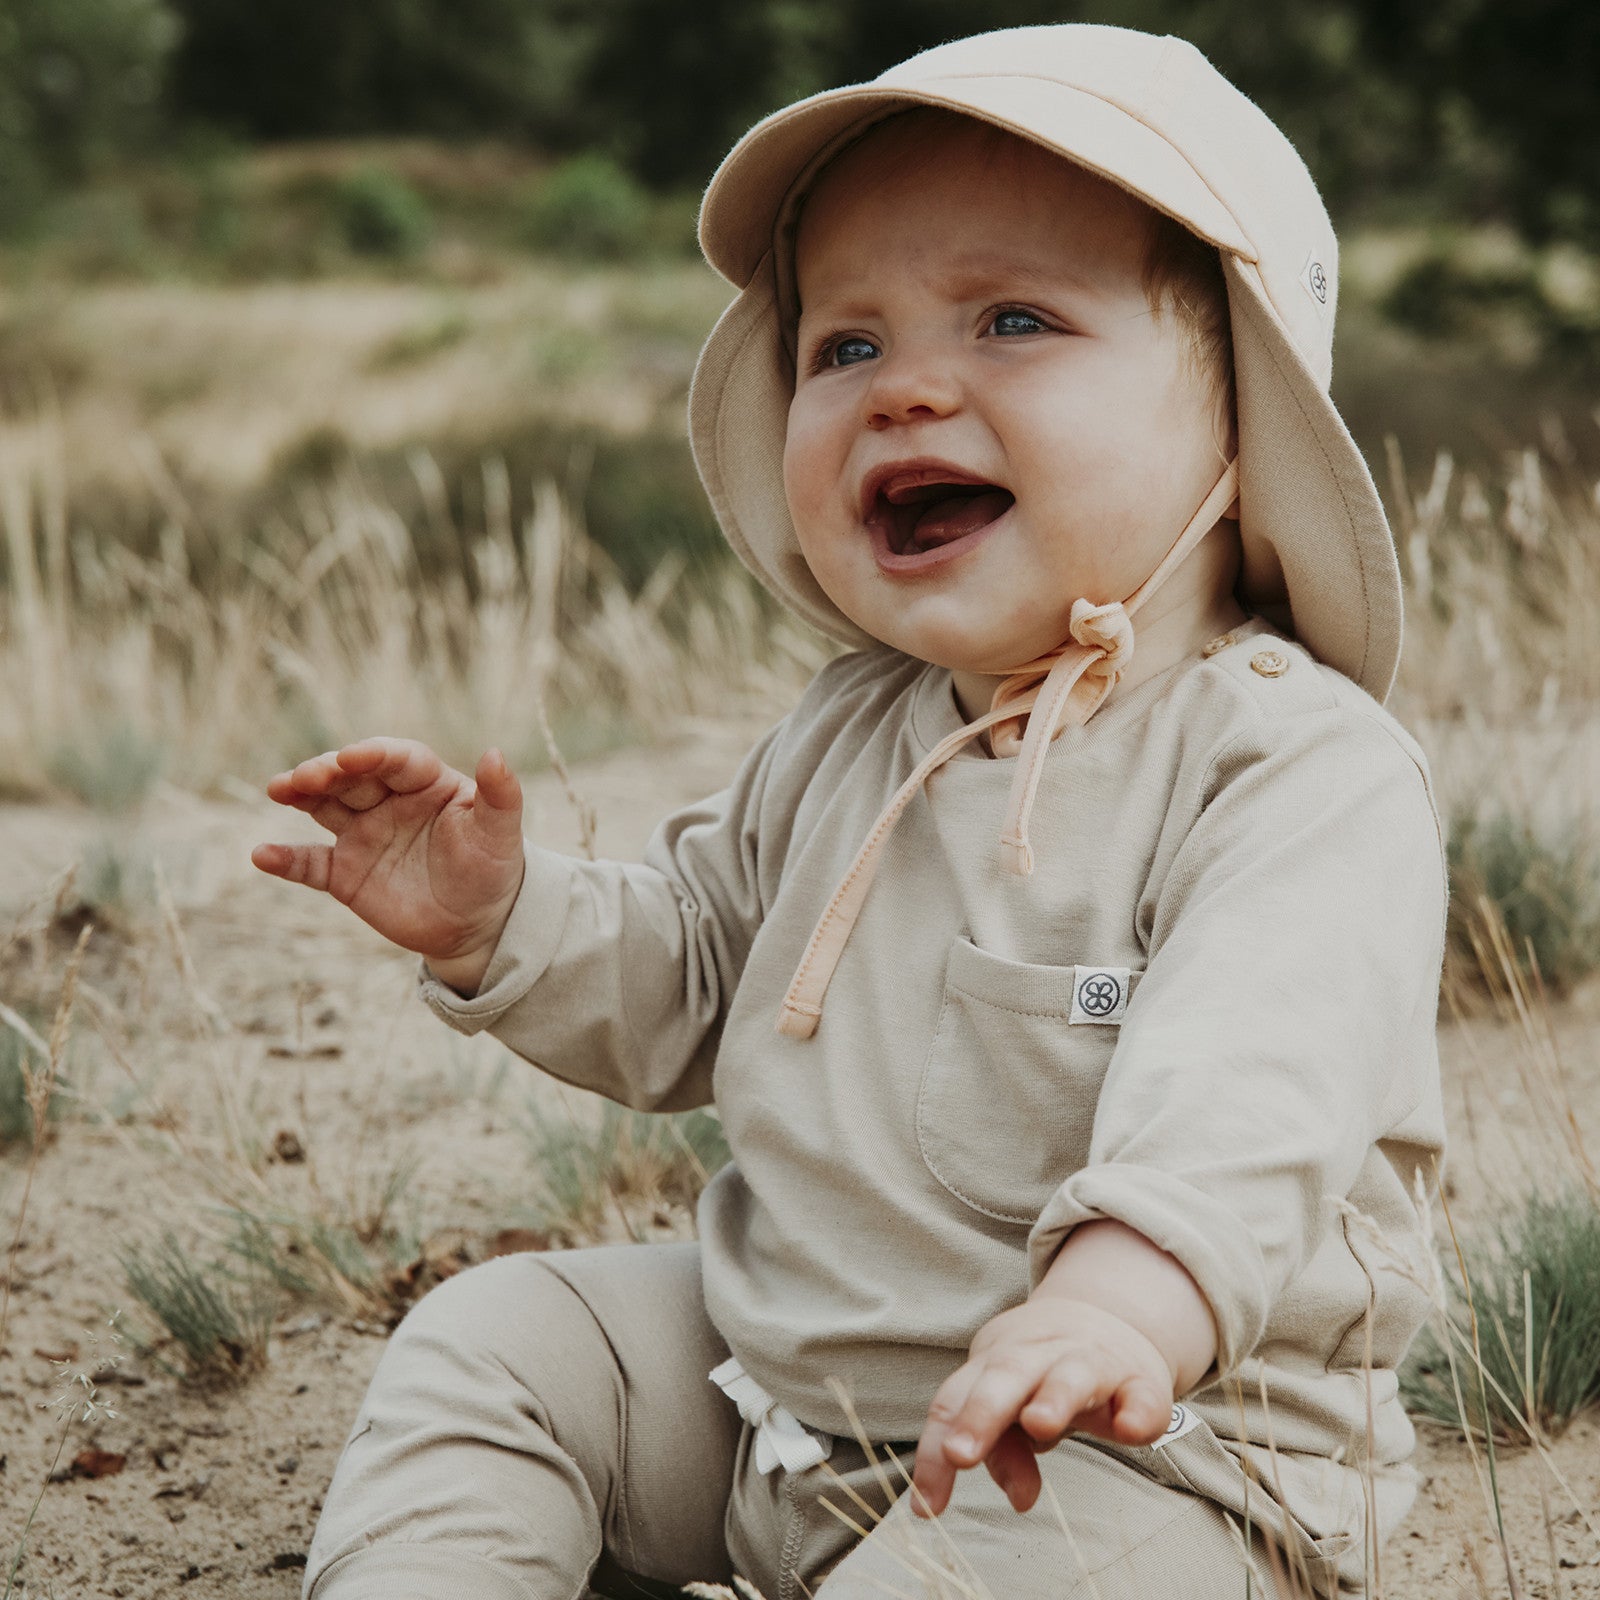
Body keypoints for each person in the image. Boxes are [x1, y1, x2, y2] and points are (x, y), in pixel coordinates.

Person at [254, 24, 1448, 1600]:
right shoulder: (855, 732)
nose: (908, 391)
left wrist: (1107, 1315)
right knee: (505, 1342)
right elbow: (693, 970)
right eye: (845, 347)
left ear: (1242, 420)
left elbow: (1248, 1112)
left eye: (1014, 320)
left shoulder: (1292, 772)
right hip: (782, 1409)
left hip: (1149, 1456)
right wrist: (504, 921)